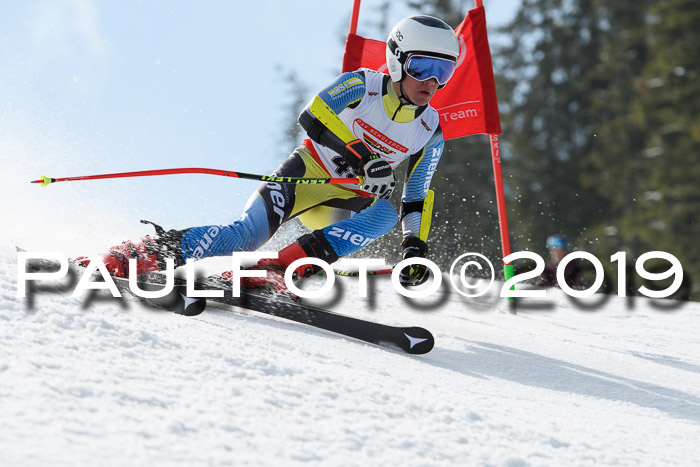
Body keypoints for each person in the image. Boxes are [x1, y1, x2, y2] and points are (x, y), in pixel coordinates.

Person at [78, 15, 460, 292]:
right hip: (304, 177)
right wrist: (363, 156)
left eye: (443, 71)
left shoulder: (430, 130)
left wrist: (415, 248)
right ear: (396, 59)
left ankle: (282, 268)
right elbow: (314, 114)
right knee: (243, 236)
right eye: (422, 66)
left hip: (345, 201)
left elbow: (416, 195)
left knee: (385, 215)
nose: (431, 82)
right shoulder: (362, 84)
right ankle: (137, 254)